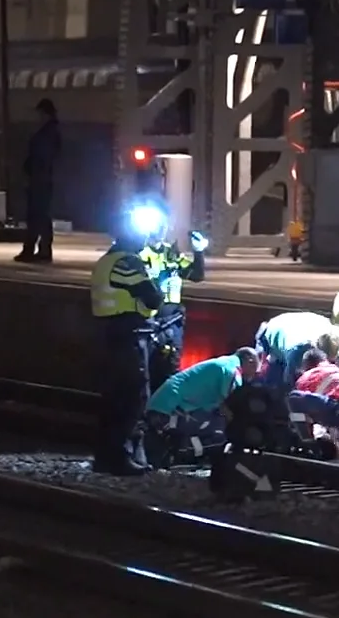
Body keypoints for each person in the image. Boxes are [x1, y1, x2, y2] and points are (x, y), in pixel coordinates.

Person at [89, 214, 166, 475]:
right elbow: (153, 298)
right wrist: (159, 287)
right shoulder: (127, 262)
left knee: (112, 399)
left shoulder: (106, 260)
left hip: (109, 334)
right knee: (133, 397)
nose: (146, 239)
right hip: (128, 336)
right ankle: (120, 457)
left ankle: (105, 457)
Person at [135, 202, 207, 393]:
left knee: (170, 373)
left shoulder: (171, 253)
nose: (160, 230)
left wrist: (198, 252)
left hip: (172, 322)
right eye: (156, 225)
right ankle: (144, 415)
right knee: (144, 373)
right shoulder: (139, 254)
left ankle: (163, 415)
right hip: (148, 320)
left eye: (163, 225)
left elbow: (197, 275)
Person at [145, 347, 258, 467]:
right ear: (250, 360)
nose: (255, 375)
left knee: (214, 420)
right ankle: (182, 454)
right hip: (166, 413)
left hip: (160, 408)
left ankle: (176, 450)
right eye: (256, 369)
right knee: (220, 430)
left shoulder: (224, 363)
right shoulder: (232, 370)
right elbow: (229, 407)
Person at [15, 98, 61, 264]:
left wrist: (32, 171)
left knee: (38, 215)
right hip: (41, 178)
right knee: (39, 215)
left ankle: (38, 250)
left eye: (40, 113)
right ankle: (38, 249)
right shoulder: (50, 131)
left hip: (40, 179)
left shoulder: (47, 133)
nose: (38, 117)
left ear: (45, 114)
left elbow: (41, 157)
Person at [253, 311, 339, 387]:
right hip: (273, 331)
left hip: (299, 324)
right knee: (271, 381)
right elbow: (288, 382)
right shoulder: (296, 351)